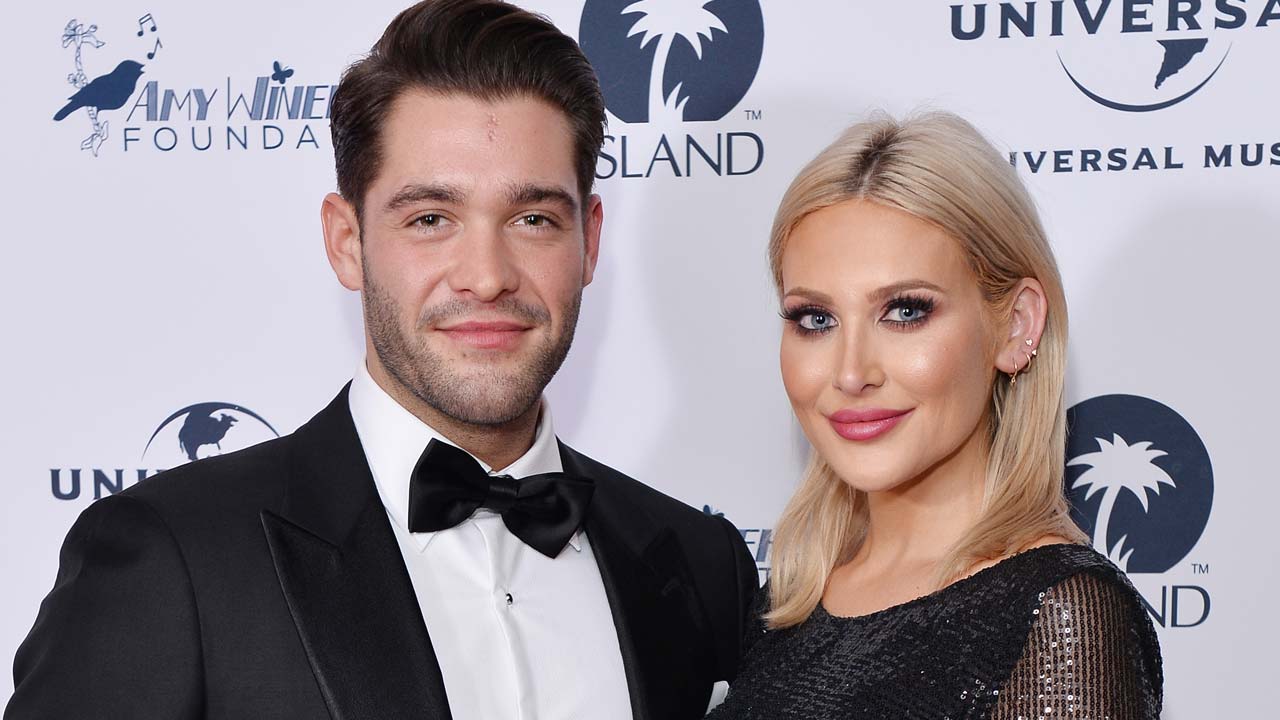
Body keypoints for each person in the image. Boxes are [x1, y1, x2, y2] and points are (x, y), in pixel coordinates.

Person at [5, 2, 757, 718]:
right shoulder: (176, 556)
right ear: (347, 241)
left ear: (589, 241)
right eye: (430, 219)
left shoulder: (701, 567)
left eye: (533, 218)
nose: (486, 276)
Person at [708, 112, 1162, 719]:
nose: (851, 373)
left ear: (1016, 326)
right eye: (815, 319)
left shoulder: (1061, 616)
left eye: (905, 311)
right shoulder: (789, 603)